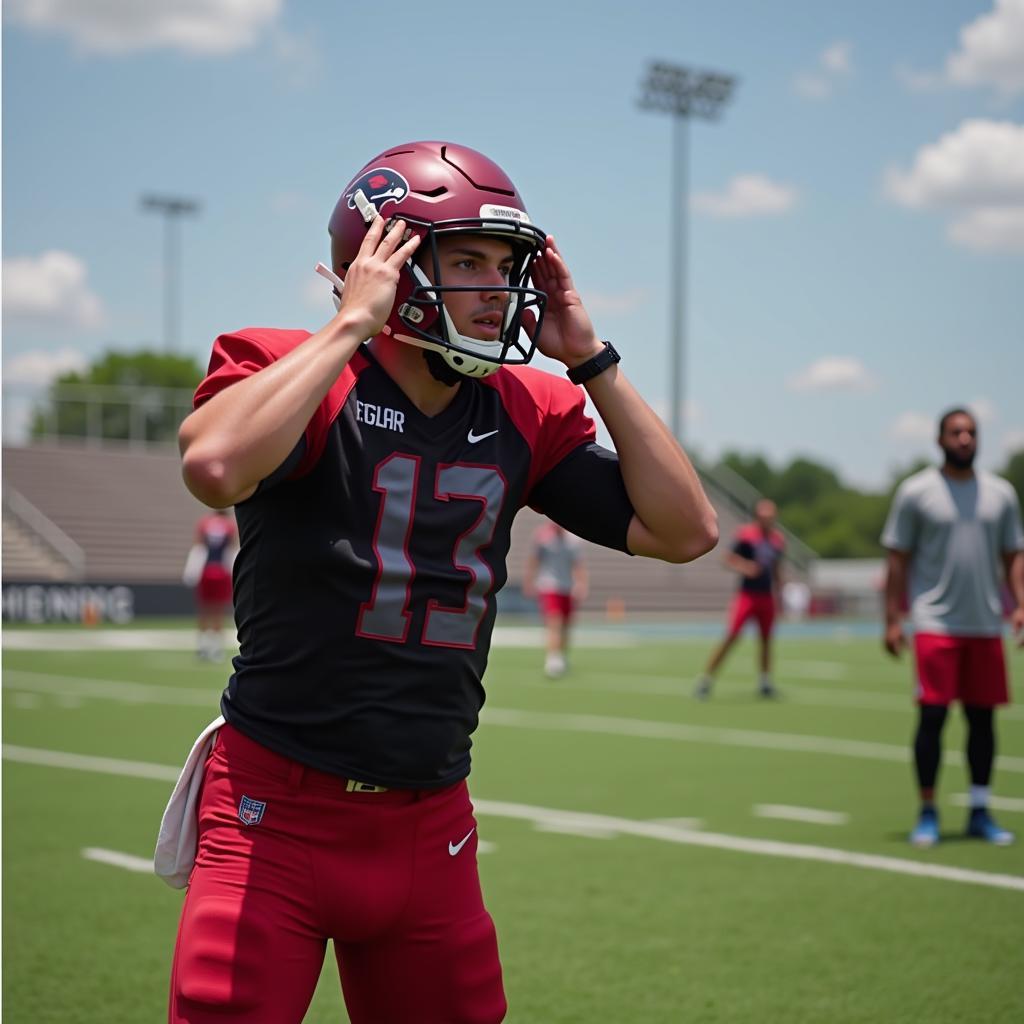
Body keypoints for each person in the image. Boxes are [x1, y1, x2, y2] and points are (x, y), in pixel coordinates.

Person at [163, 140, 718, 1024]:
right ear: (392, 261)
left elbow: (687, 531)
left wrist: (594, 360)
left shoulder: (523, 406)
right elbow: (216, 466)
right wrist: (349, 324)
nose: (498, 288)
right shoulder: (303, 370)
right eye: (468, 261)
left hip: (431, 826)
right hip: (274, 813)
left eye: (506, 266)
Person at [882, 407, 1024, 848]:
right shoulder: (916, 492)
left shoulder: (1001, 493)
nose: (964, 439)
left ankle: (980, 810)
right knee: (933, 717)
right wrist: (892, 618)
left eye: (971, 432)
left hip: (985, 623)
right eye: (956, 432)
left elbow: (1013, 554)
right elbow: (897, 558)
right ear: (940, 439)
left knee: (982, 720)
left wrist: (1019, 604)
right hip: (934, 622)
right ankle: (927, 811)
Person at [694, 498, 784, 699]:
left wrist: (780, 590)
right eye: (764, 516)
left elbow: (777, 568)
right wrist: (746, 567)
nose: (767, 520)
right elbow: (727, 558)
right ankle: (706, 679)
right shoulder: (746, 535)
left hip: (766, 596)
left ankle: (765, 682)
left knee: (766, 640)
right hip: (747, 595)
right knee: (732, 635)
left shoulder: (777, 539)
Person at [522, 519, 588, 677]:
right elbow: (533, 561)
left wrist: (581, 584)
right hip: (549, 585)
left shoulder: (573, 539)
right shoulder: (543, 537)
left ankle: (562, 656)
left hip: (567, 586)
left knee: (566, 625)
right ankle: (552, 658)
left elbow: (578, 564)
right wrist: (529, 581)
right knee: (554, 621)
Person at [181, 508, 238, 661]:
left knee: (204, 610)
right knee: (218, 611)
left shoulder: (204, 523)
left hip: (206, 571)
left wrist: (191, 572)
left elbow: (199, 548)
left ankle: (202, 646)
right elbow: (231, 550)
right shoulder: (230, 525)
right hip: (221, 572)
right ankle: (216, 648)